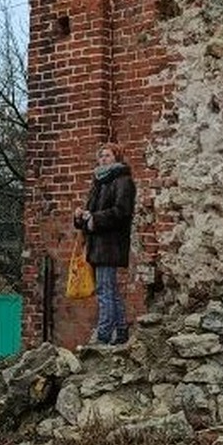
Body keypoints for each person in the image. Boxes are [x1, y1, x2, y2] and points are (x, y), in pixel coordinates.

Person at [73, 142, 136, 345]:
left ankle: (104, 333)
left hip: (111, 245)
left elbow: (121, 212)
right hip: (97, 245)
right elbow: (90, 215)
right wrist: (81, 216)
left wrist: (95, 218)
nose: (103, 159)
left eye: (107, 155)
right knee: (109, 290)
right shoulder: (99, 183)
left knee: (104, 291)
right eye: (101, 156)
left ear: (117, 158)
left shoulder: (123, 181)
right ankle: (120, 330)